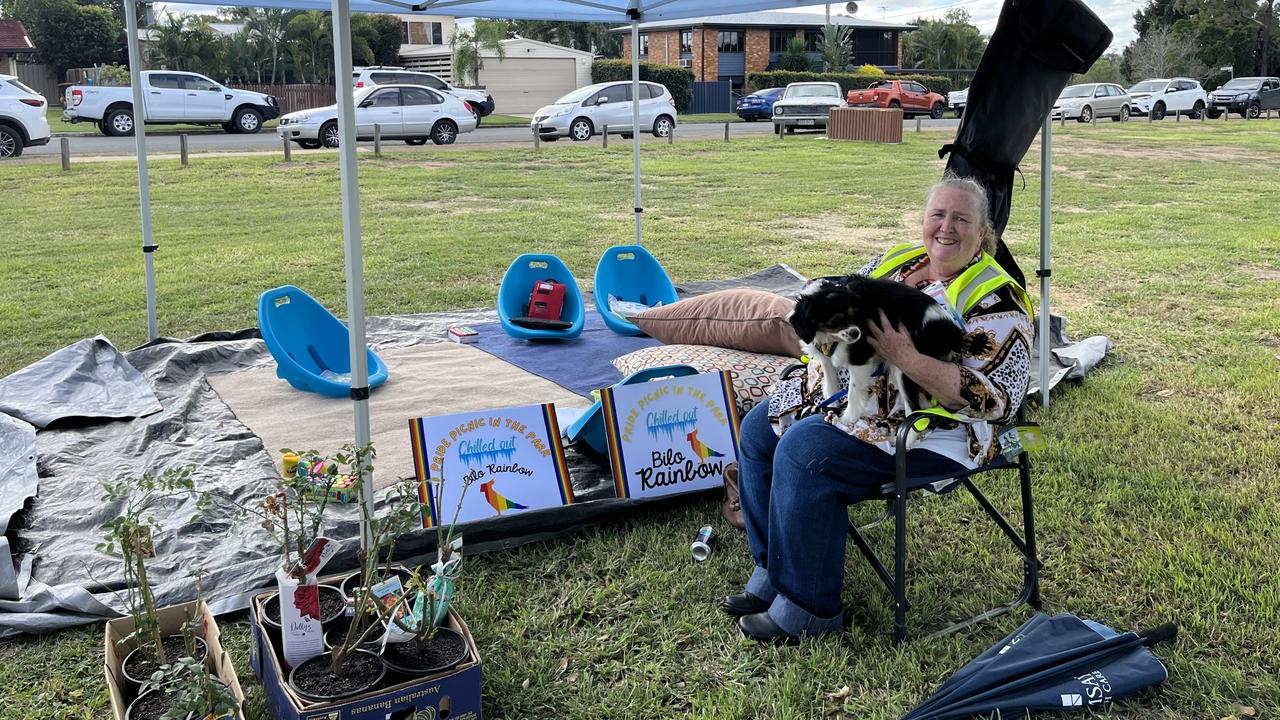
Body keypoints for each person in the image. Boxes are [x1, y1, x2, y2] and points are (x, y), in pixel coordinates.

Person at [726, 175, 1035, 644]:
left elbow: (997, 399)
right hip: (854, 399)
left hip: (932, 426)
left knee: (803, 451)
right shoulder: (900, 261)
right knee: (756, 430)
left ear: (983, 233)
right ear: (924, 220)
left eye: (961, 219)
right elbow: (835, 295)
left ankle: (807, 610)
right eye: (937, 215)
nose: (945, 228)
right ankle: (775, 570)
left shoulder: (996, 297)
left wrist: (906, 357)